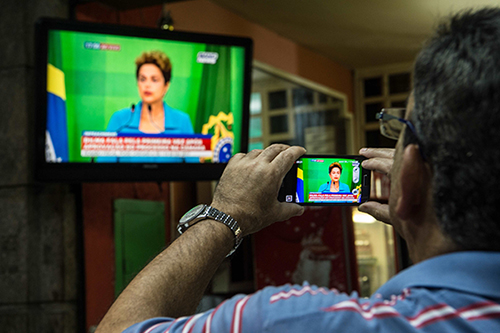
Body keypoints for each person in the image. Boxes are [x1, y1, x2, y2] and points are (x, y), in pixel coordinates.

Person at [96, 8, 500, 333]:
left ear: (409, 175)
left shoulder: (292, 320)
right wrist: (423, 215)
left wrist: (226, 214)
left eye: (402, 131)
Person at [98, 50, 194, 162]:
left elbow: (193, 173)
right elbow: (104, 171)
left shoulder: (182, 121)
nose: (147, 85)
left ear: (166, 86)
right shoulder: (119, 119)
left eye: (154, 80)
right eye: (142, 79)